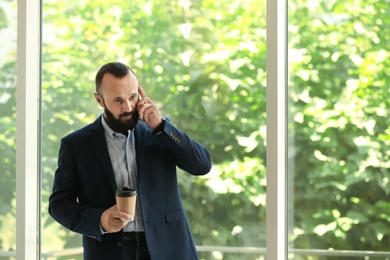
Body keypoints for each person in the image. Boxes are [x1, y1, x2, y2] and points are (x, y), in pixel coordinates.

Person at [48, 61, 212, 260]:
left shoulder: (159, 132)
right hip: (109, 251)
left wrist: (161, 127)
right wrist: (99, 219)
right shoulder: (76, 145)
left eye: (132, 97)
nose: (127, 107)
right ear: (99, 100)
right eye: (117, 100)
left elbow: (202, 165)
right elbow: (59, 204)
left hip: (168, 248)